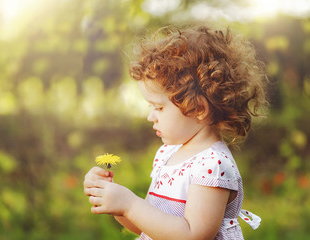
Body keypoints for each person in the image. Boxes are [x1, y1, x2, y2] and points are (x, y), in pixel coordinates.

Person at [83, 25, 267, 240]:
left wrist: (130, 204)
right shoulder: (168, 153)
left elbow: (192, 234)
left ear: (198, 108)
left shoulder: (212, 166)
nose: (151, 116)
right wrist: (115, 200)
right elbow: (152, 228)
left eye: (159, 107)